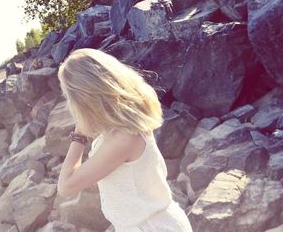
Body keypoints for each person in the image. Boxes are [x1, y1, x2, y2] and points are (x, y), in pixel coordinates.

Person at [57, 48, 193, 232]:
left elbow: (66, 186)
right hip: (155, 222)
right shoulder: (125, 126)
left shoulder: (123, 138)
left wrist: (79, 134)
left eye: (70, 97)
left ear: (84, 97)